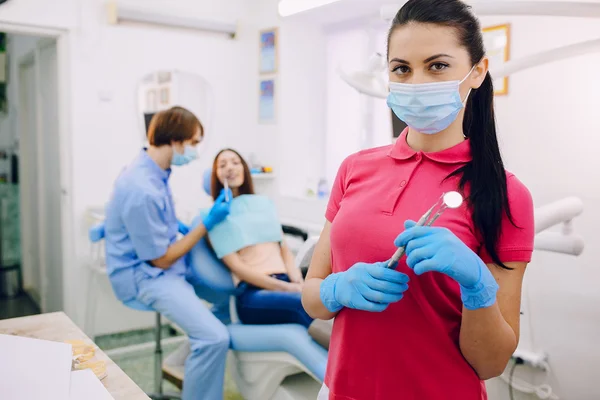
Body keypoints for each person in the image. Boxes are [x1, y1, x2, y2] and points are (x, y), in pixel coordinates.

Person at [301, 0, 535, 399]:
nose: (416, 83)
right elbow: (313, 297)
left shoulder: (506, 193)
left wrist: (477, 285)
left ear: (477, 72)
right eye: (402, 69)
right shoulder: (354, 169)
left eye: (438, 65)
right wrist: (335, 290)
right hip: (342, 390)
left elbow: (491, 363)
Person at [104, 106, 233, 400]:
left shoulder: (155, 170)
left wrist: (180, 225)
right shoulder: (141, 187)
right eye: (194, 143)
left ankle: (182, 361)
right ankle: (198, 359)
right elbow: (160, 258)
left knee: (229, 297)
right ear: (175, 141)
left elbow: (159, 223)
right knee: (214, 337)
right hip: (146, 276)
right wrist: (205, 224)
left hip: (164, 263)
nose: (196, 151)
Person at [204, 148, 313, 328]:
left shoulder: (263, 205)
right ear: (216, 175)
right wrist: (287, 289)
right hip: (253, 294)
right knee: (302, 303)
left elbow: (283, 249)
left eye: (235, 162)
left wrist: (297, 281)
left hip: (285, 281)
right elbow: (238, 268)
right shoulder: (215, 218)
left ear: (245, 169)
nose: (230, 168)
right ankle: (340, 355)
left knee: (326, 291)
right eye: (222, 165)